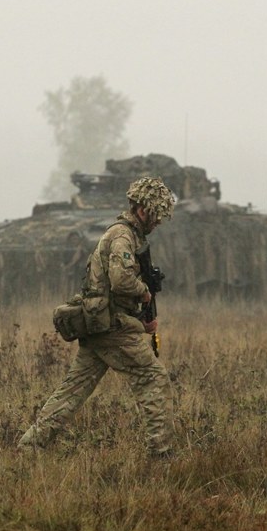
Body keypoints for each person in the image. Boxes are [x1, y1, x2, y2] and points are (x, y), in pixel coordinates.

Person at [18, 176, 176, 458]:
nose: (158, 222)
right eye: (156, 216)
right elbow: (121, 281)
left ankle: (31, 445)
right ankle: (161, 454)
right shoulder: (122, 236)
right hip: (112, 327)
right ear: (142, 211)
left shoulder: (125, 235)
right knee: (154, 379)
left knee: (74, 389)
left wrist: (143, 319)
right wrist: (144, 294)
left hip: (100, 324)